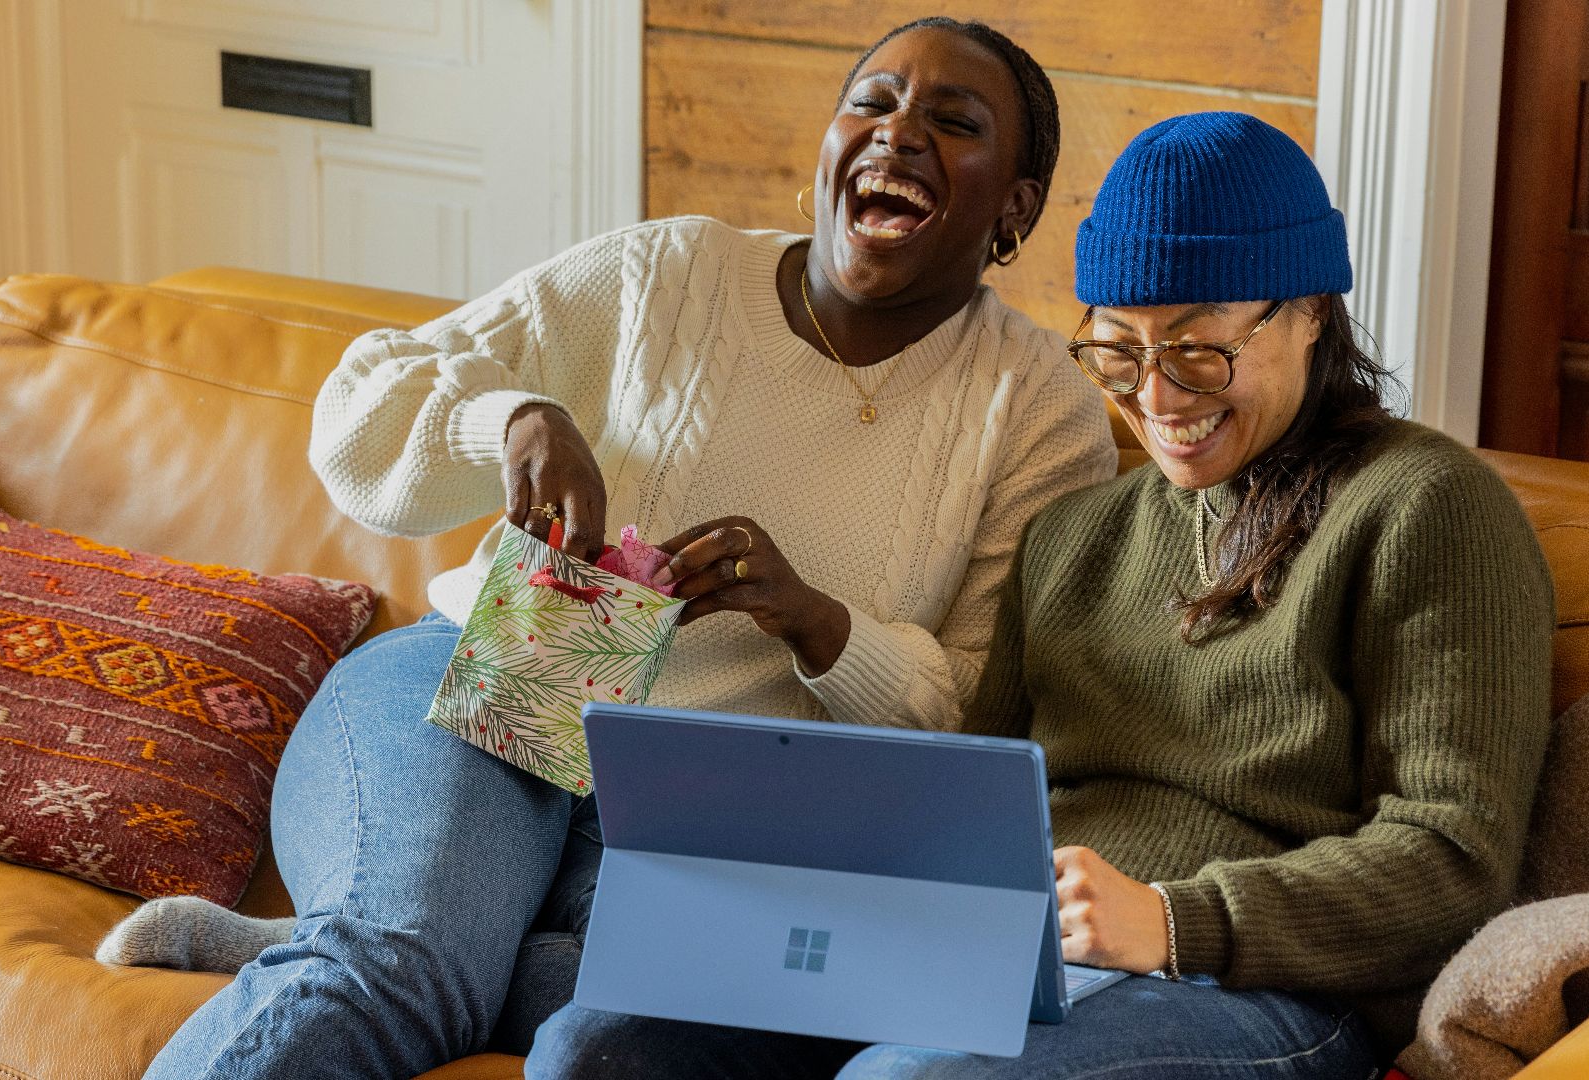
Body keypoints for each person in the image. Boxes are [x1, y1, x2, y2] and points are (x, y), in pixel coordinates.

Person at [116, 17, 1113, 1080]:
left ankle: (384, 931)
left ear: (1015, 205)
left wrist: (817, 622)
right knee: (398, 970)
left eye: (953, 123)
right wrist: (511, 421)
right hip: (495, 682)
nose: (899, 132)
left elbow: (984, 710)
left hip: (711, 812)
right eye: (871, 103)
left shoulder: (1039, 408)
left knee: (599, 1022)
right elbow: (358, 408)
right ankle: (388, 938)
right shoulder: (669, 274)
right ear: (828, 150)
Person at [528, 112, 1555, 1079]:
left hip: (1259, 983)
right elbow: (973, 798)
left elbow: (1454, 857)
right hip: (1007, 951)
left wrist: (1176, 919)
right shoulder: (1074, 538)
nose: (1156, 399)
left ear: (1309, 315)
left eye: (1199, 349)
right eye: (1119, 350)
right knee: (597, 1044)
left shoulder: (1428, 508)